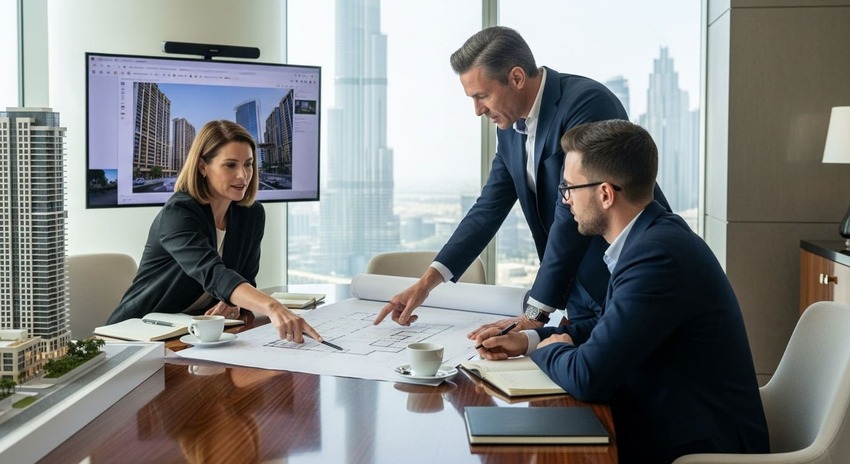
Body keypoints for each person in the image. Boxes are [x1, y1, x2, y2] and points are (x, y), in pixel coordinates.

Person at [474, 120, 769, 463]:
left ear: (605, 194)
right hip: (670, 422)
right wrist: (530, 340)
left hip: (695, 448)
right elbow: (610, 329)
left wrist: (548, 351)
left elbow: (589, 377)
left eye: (568, 187)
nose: (565, 200)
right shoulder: (651, 239)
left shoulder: (656, 256)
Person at [373, 26, 668, 331]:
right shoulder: (510, 131)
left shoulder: (587, 103)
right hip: (578, 290)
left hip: (625, 278)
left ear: (516, 78)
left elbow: (570, 213)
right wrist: (425, 285)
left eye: (482, 96)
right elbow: (488, 209)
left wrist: (534, 315)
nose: (477, 111)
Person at [106, 120, 322, 344]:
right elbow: (213, 274)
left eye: (248, 164)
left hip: (194, 333)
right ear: (202, 167)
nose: (243, 175)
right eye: (230, 165)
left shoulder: (251, 214)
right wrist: (273, 306)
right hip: (137, 334)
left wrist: (233, 302)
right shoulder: (178, 213)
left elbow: (246, 279)